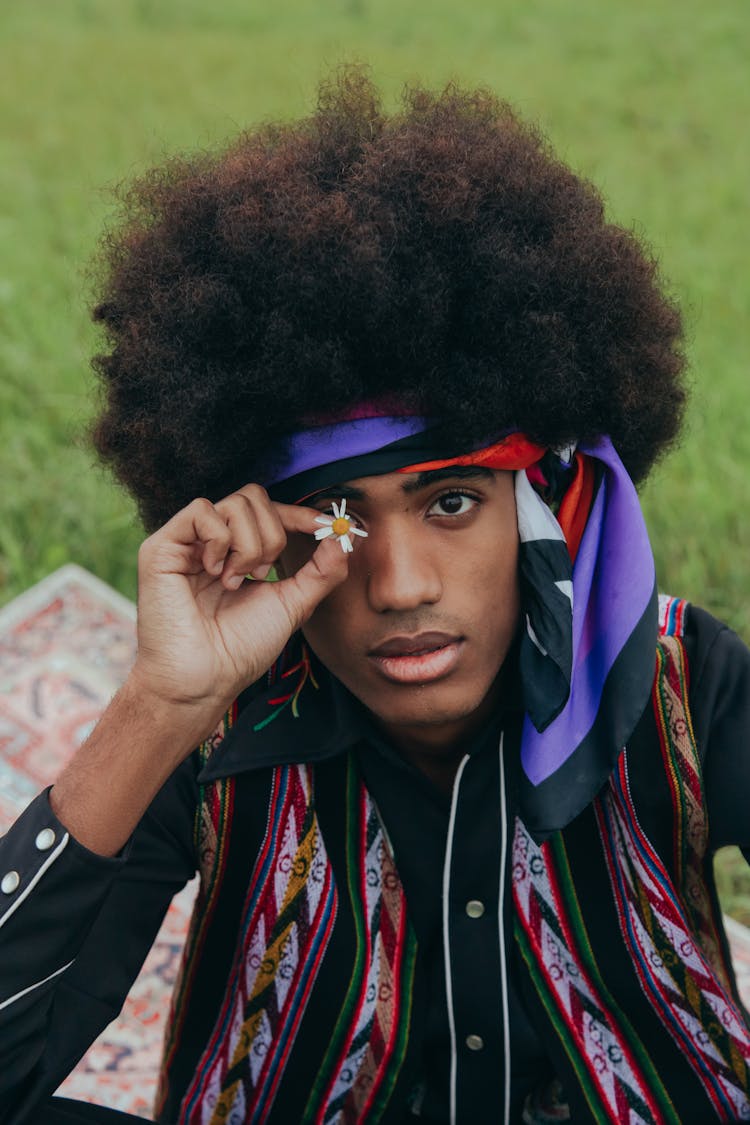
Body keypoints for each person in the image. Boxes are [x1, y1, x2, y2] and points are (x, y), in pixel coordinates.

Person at [1, 68, 749, 1125]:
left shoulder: (682, 683)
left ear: (542, 502)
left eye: (450, 502)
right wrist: (155, 710)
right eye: (340, 519)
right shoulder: (217, 731)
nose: (397, 586)